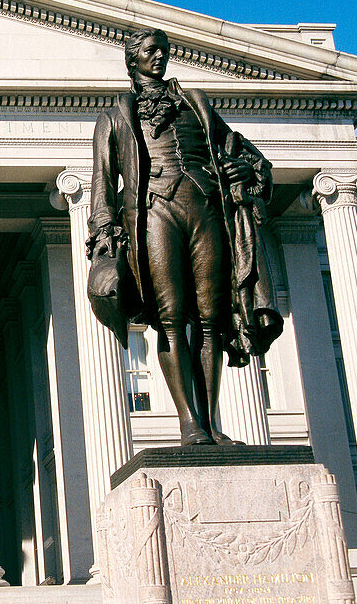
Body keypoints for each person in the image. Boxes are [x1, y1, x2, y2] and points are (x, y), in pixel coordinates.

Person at [88, 27, 283, 445]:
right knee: (172, 318)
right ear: (132, 59)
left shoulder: (195, 104)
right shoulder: (115, 117)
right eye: (150, 51)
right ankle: (188, 423)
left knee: (211, 319)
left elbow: (247, 154)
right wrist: (103, 242)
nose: (159, 57)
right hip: (154, 211)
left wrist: (247, 172)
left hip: (205, 206)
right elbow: (102, 184)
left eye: (163, 50)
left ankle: (211, 423)